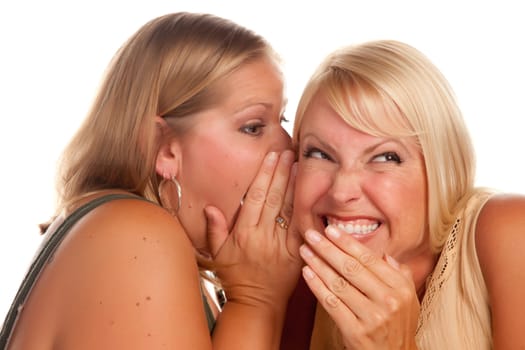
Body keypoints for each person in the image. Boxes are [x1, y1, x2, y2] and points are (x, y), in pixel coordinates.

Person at [0, 12, 303, 349]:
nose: (288, 146)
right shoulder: (137, 236)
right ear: (164, 149)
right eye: (253, 127)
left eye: (282, 119)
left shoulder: (122, 232)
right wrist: (257, 300)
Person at [283, 40, 525, 349]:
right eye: (319, 153)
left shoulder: (509, 232)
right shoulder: (297, 283)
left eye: (385, 157)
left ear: (441, 166)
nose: (342, 191)